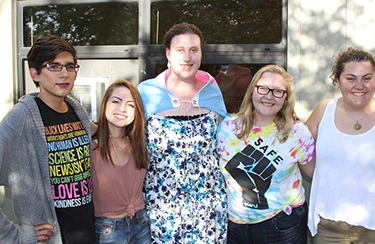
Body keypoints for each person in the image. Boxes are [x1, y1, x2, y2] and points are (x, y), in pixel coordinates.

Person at [137, 22, 228, 243]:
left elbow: (228, 138)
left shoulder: (212, 89)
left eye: (194, 50)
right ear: (168, 53)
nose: (187, 57)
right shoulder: (146, 92)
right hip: (161, 206)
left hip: (207, 206)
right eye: (180, 50)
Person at [0, 35, 95, 243]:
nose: (64, 73)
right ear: (35, 74)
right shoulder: (20, 120)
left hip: (88, 234)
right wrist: (15, 236)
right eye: (54, 66)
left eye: (70, 67)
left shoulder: (77, 112)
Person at [217, 64, 315, 243]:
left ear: (286, 98)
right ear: (252, 90)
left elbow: (317, 173)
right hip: (234, 226)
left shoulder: (297, 133)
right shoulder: (227, 128)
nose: (269, 96)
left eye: (278, 91)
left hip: (282, 226)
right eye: (263, 88)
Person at [306, 47, 375, 243]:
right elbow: (299, 150)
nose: (359, 85)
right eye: (351, 78)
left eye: (367, 78)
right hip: (329, 226)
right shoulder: (323, 111)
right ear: (337, 80)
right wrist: (324, 173)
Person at [91, 79, 151, 243]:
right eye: (116, 101)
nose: (122, 109)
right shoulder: (91, 143)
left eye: (131, 105)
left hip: (141, 224)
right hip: (108, 229)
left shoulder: (139, 142)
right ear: (105, 104)